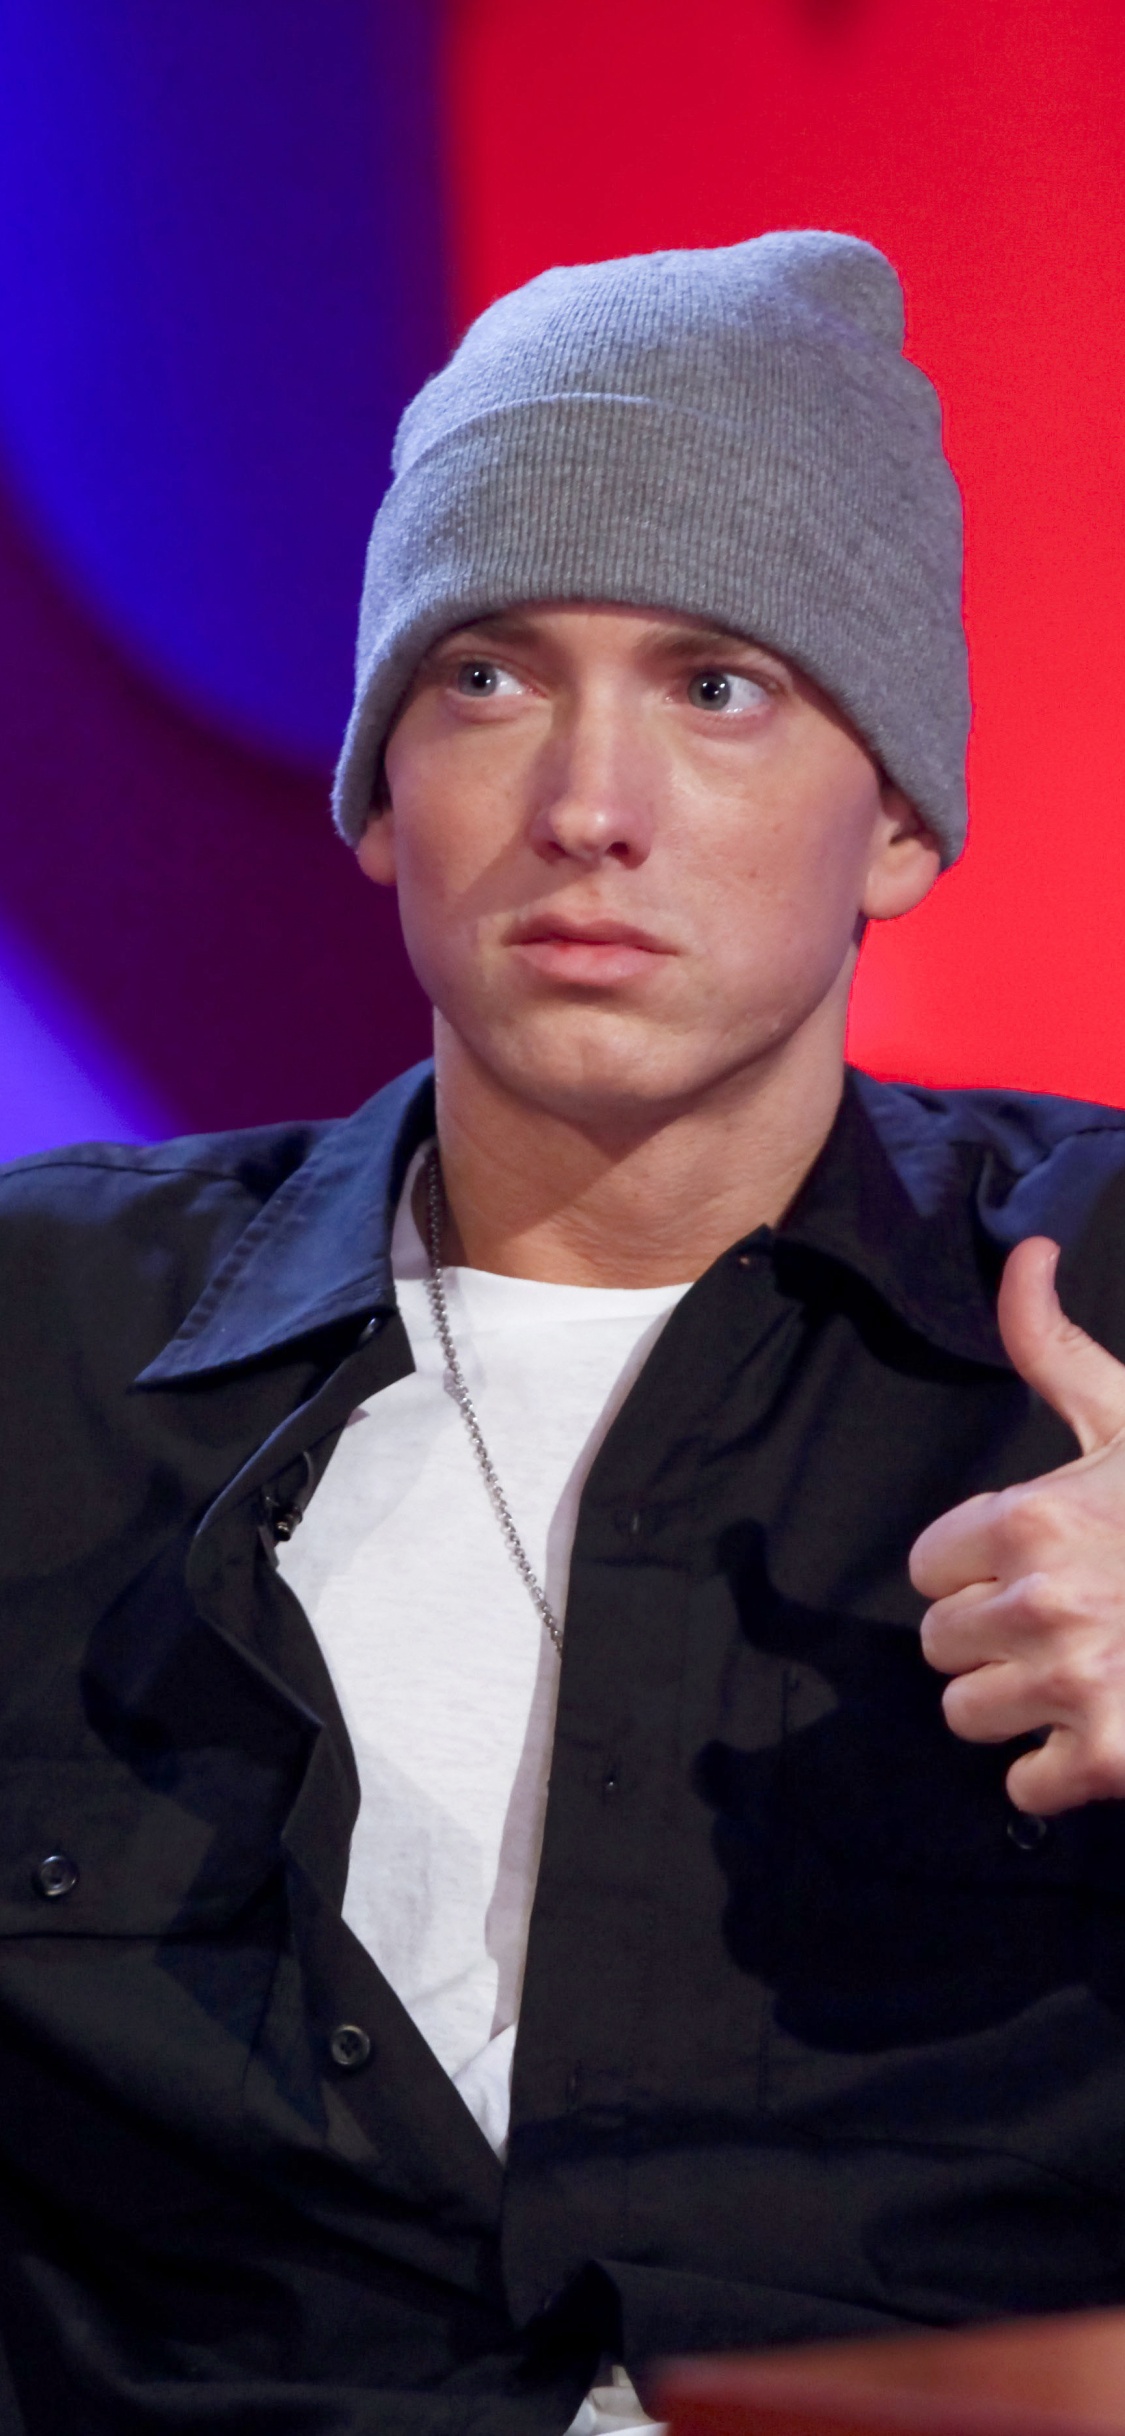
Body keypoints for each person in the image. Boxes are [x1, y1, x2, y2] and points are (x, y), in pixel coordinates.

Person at [4, 230, 1125, 2436]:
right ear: (374, 794)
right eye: (486, 676)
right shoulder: (39, 1336)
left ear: (899, 818)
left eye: (717, 686)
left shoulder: (1102, 1296)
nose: (585, 808)